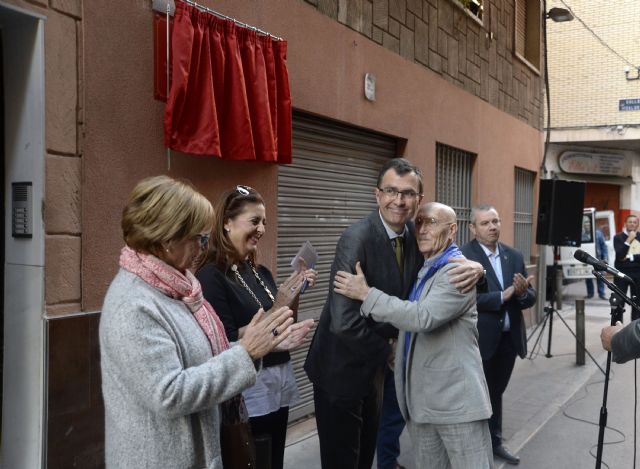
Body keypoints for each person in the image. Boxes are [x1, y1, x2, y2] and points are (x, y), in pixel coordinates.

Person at [100, 176, 295, 469]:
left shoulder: (176, 288)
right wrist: (245, 352)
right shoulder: (133, 304)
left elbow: (200, 357)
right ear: (166, 239)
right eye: (198, 238)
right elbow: (169, 393)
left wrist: (252, 346)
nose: (203, 247)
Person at [304, 158, 484, 469]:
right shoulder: (356, 238)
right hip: (340, 371)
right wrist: (389, 351)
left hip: (375, 374)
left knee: (365, 458)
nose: (399, 201)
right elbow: (343, 323)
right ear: (377, 195)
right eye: (391, 191)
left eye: (408, 193)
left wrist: (478, 269)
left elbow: (447, 256)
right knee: (342, 461)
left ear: (419, 200)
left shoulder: (417, 235)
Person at [334, 202, 493, 469]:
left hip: (456, 405)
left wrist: (366, 294)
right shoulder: (427, 265)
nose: (421, 229)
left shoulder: (457, 270)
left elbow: (422, 317)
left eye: (431, 222)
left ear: (452, 229)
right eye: (418, 222)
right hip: (423, 403)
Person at [196, 185, 316, 469]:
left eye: (264, 222)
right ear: (227, 222)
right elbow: (222, 340)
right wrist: (274, 320)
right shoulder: (212, 276)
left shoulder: (259, 271)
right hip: (250, 388)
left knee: (274, 458)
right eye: (254, 221)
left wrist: (293, 293)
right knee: (253, 459)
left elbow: (283, 322)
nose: (261, 228)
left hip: (279, 379)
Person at [461, 204, 536, 466]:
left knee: (496, 392)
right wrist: (501, 296)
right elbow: (462, 298)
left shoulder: (513, 255)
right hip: (478, 340)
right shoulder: (463, 256)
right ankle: (475, 445)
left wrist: (523, 292)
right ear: (472, 228)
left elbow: (529, 295)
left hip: (508, 339)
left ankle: (494, 441)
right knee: (476, 394)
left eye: (496, 221)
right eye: (485, 223)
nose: (493, 227)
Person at [613, 214, 640, 319]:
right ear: (625, 224)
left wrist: (629, 257)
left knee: (637, 303)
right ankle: (617, 329)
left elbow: (624, 256)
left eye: (635, 222)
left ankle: (635, 330)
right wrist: (629, 239)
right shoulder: (618, 237)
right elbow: (620, 256)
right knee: (619, 302)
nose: (632, 224)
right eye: (630, 222)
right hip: (621, 274)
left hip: (638, 274)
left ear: (637, 225)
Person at [586, 228, 608, 300]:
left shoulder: (598, 233)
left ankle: (601, 293)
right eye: (585, 224)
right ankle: (590, 293)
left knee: (600, 276)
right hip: (588, 259)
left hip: (598, 258)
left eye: (588, 224)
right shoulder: (583, 233)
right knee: (588, 276)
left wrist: (605, 257)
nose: (587, 225)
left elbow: (603, 246)